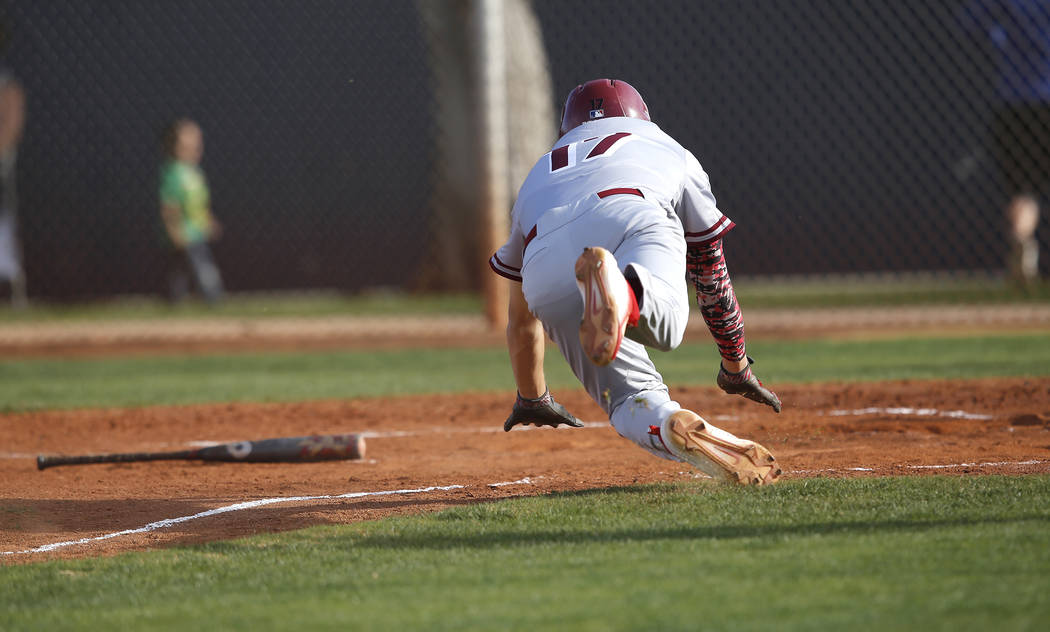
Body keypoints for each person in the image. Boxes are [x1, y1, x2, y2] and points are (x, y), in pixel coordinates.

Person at [489, 79, 783, 486]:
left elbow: (522, 322)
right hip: (629, 214)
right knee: (667, 329)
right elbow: (710, 273)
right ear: (641, 116)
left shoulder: (539, 173)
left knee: (628, 400)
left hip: (546, 266)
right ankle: (622, 294)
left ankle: (669, 424)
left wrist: (532, 397)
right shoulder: (667, 147)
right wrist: (735, 365)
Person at [159, 118, 224, 304]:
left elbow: (199, 204)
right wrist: (174, 230)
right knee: (191, 269)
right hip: (183, 234)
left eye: (197, 142)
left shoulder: (194, 172)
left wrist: (209, 221)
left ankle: (182, 299)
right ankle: (210, 298)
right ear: (173, 145)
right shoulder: (172, 173)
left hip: (197, 232)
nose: (195, 147)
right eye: (187, 143)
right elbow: (169, 205)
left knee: (184, 270)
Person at [0, 17, 25, 307]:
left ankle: (12, 287)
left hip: (2, 169)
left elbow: (11, 124)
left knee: (5, 221)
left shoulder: (7, 83)